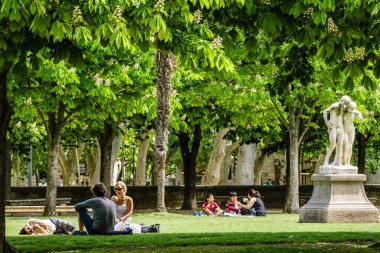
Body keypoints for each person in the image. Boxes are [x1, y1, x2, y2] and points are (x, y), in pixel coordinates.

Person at [323, 96, 349, 166]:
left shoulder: (344, 108)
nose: (345, 106)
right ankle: (325, 162)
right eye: (345, 103)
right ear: (342, 101)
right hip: (333, 127)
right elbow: (324, 112)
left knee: (340, 145)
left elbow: (353, 110)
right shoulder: (334, 106)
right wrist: (327, 123)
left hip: (340, 127)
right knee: (333, 144)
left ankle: (338, 162)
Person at [342, 101, 362, 166]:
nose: (352, 110)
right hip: (344, 130)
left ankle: (348, 162)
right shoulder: (343, 110)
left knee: (350, 147)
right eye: (351, 108)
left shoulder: (354, 111)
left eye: (353, 109)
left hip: (351, 130)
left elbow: (359, 113)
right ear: (348, 107)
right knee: (346, 146)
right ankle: (344, 162)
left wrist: (359, 117)